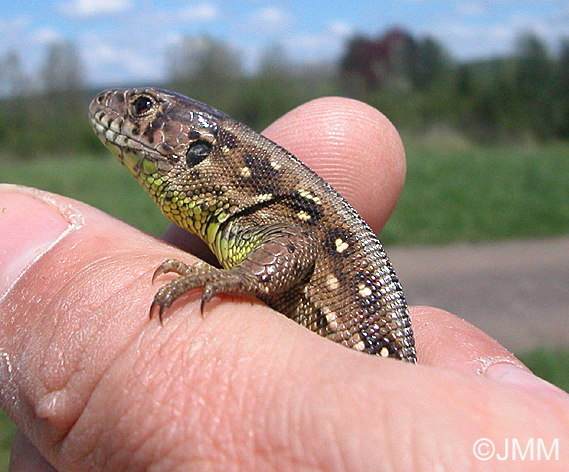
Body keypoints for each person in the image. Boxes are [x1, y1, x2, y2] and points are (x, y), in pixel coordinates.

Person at [0, 97, 567, 472]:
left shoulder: (264, 226)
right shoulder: (247, 216)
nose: (116, 110)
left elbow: (291, 254)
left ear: (197, 148)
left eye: (144, 109)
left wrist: (229, 278)